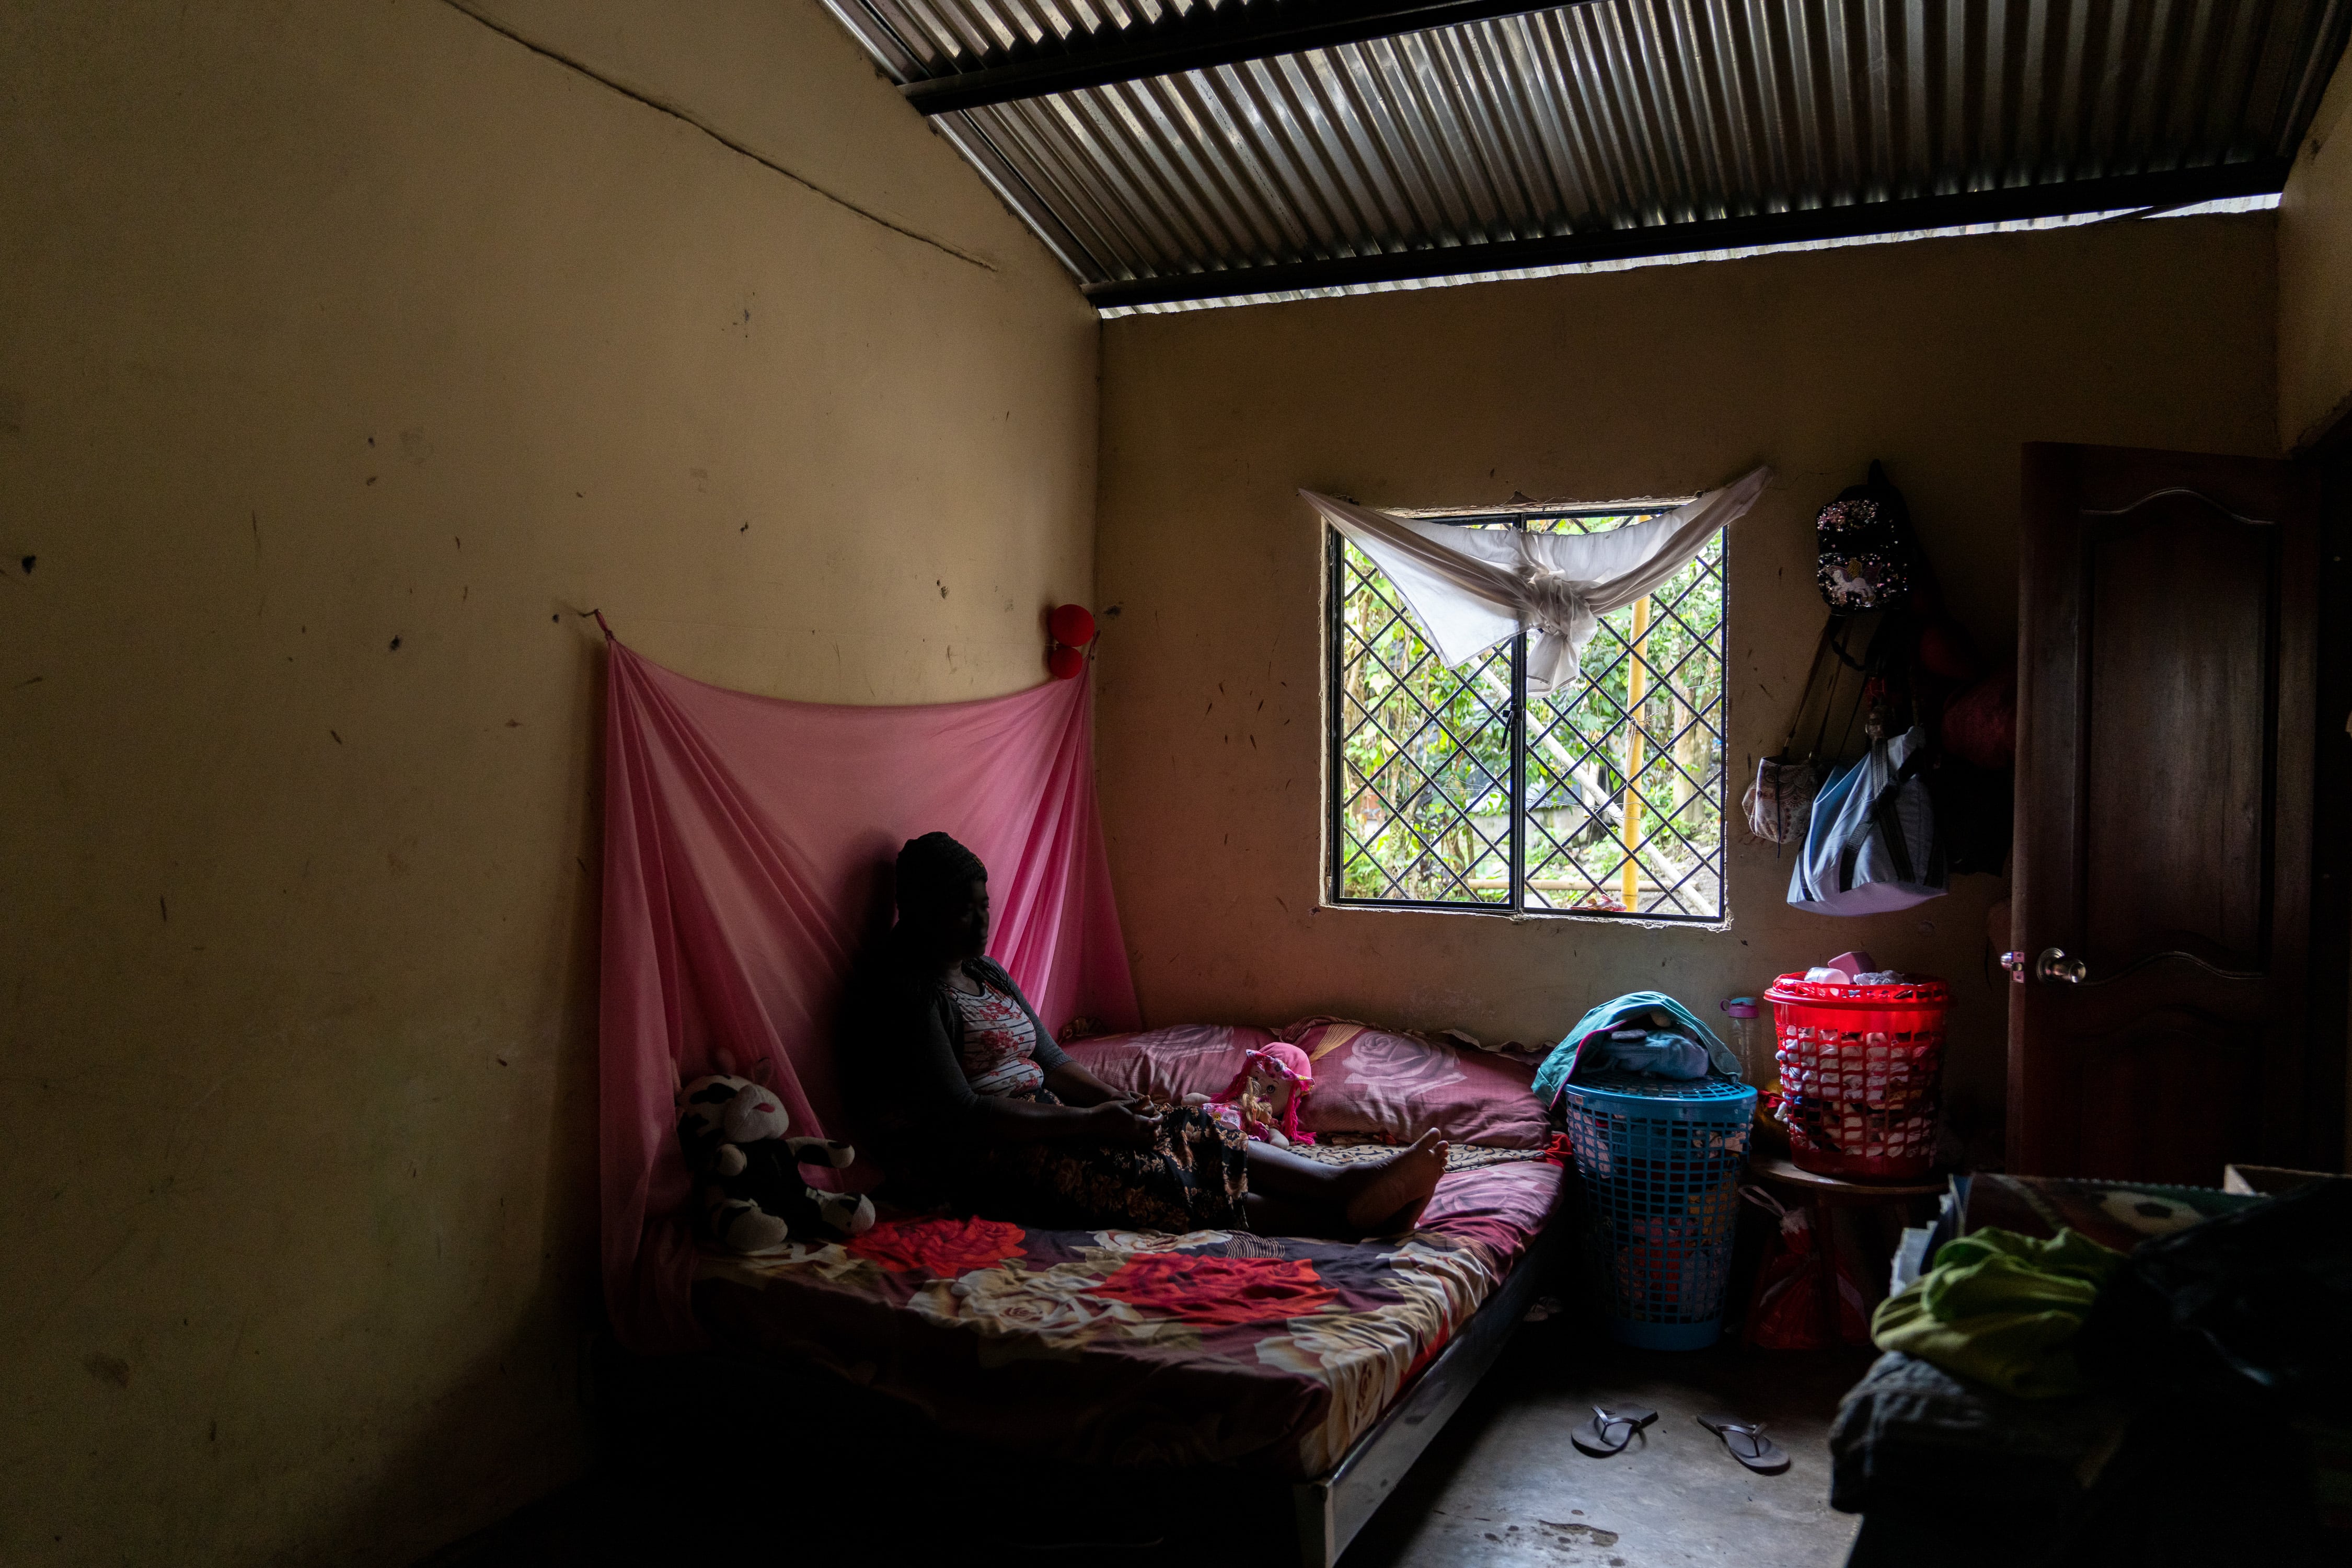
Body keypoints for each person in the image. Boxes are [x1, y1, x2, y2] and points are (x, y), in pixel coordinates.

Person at [849, 831, 1447, 1238]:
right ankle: (1344, 1219)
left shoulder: (985, 973)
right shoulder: (911, 993)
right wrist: (1089, 1124)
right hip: (989, 1155)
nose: (982, 922)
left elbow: (1053, 1062)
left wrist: (1115, 1104)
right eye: (963, 911)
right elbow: (964, 1113)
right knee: (1148, 1175)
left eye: (985, 905)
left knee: (1186, 1127)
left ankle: (1345, 1183)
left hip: (1047, 1118)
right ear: (921, 913)